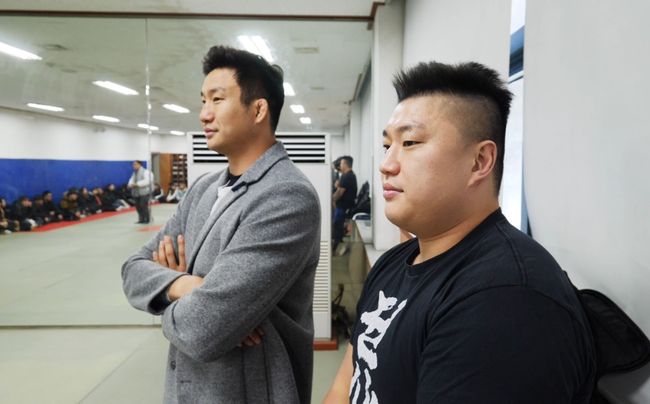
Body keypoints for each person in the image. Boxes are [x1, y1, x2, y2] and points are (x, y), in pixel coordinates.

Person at [325, 61, 596, 403]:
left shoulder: (505, 298)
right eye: (387, 146)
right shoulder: (393, 264)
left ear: (480, 161)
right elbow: (344, 386)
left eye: (410, 142)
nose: (386, 164)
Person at [121, 45, 321, 404]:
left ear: (258, 109)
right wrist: (187, 286)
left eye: (217, 99)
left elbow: (203, 330)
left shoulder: (287, 196)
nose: (204, 114)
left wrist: (167, 296)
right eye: (202, 101)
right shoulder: (203, 189)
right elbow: (133, 271)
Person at [332, 155, 357, 252]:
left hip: (343, 207)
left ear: (346, 164)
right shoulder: (349, 175)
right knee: (338, 225)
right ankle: (338, 243)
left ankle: (335, 248)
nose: (340, 165)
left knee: (337, 225)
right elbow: (340, 188)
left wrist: (332, 200)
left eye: (341, 163)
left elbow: (339, 193)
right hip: (343, 206)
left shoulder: (347, 176)